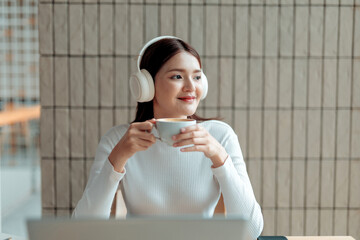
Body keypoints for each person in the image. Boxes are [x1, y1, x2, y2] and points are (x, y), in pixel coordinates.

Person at [73, 36, 264, 238]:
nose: (191, 87)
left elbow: (251, 231)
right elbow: (84, 231)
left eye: (197, 77)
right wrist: (118, 159)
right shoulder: (119, 140)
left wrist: (219, 157)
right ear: (146, 85)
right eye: (177, 77)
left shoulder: (220, 136)